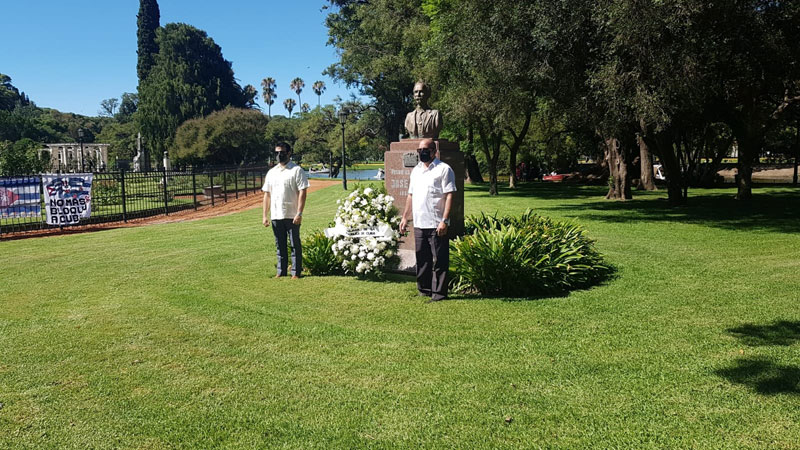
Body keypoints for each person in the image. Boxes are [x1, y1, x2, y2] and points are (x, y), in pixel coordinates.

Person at [399, 138, 456, 302]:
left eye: (425, 149)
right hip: (420, 223)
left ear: (434, 151)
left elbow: (450, 195)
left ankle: (439, 293)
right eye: (419, 150)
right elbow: (411, 195)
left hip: (436, 222)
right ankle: (424, 289)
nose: (422, 152)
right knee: (422, 259)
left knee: (439, 260)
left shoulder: (444, 169)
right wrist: (405, 217)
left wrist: (445, 220)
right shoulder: (416, 171)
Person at [262, 142, 309, 278]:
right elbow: (267, 194)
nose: (278, 155)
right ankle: (281, 272)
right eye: (276, 153)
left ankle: (296, 272)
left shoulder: (296, 170)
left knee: (295, 244)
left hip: (292, 214)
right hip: (276, 215)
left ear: (289, 153)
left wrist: (299, 213)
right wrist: (265, 215)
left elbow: (303, 191)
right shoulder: (272, 173)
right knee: (279, 244)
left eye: (281, 152)